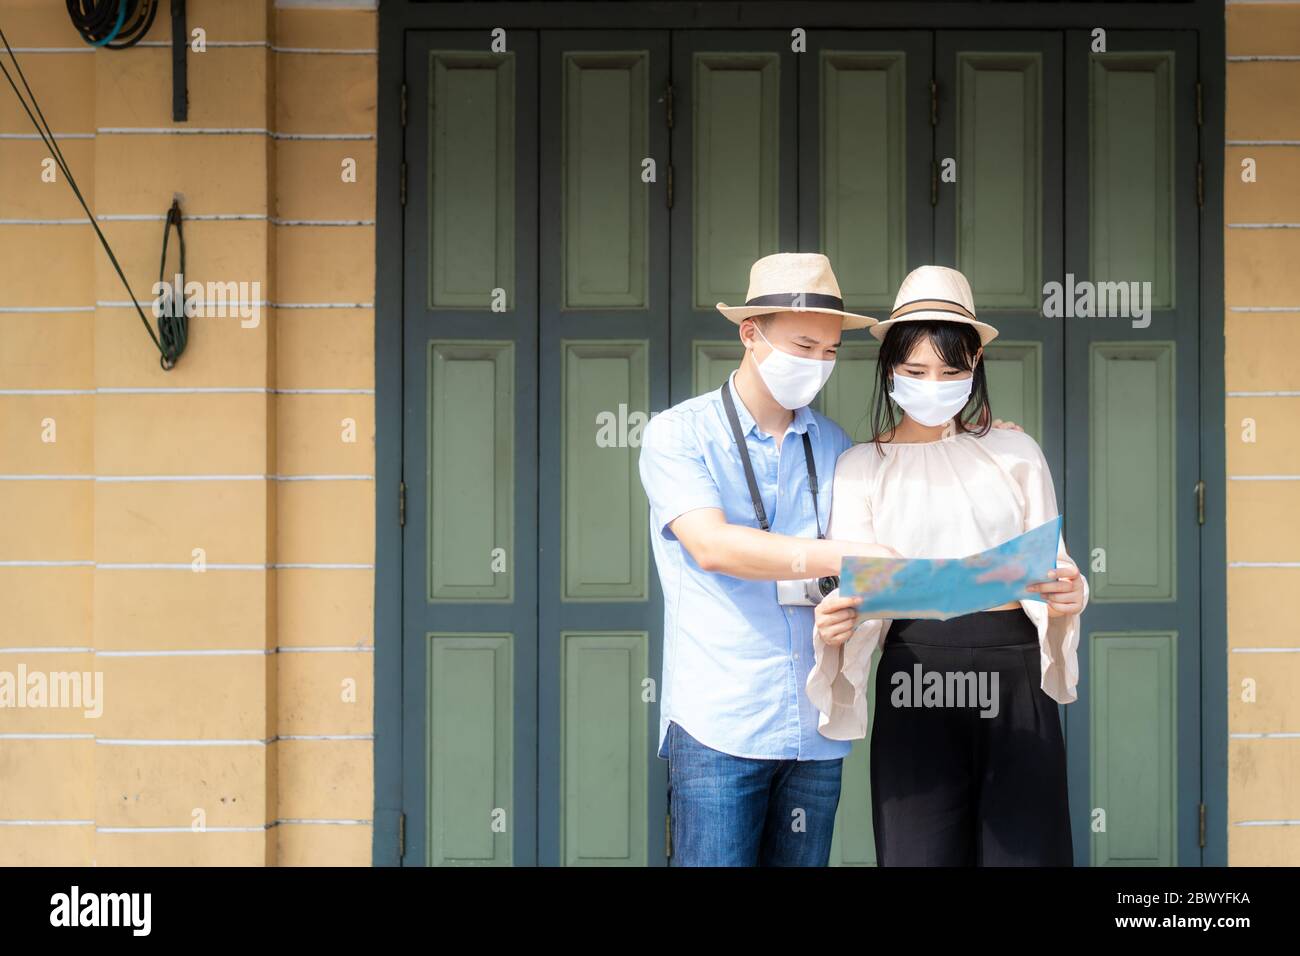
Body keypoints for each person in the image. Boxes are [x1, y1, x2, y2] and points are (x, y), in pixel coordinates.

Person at [638, 253, 1020, 866]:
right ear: (750, 333)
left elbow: (889, 557)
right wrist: (844, 552)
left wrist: (978, 443)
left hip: (815, 730)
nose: (816, 364)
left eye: (829, 352)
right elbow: (711, 546)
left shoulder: (836, 445)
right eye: (803, 345)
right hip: (721, 725)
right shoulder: (680, 435)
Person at [809, 264, 1087, 867]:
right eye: (915, 371)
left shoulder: (1014, 450)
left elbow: (1054, 564)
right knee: (919, 852)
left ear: (974, 369)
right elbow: (856, 589)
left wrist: (1068, 595)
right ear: (889, 368)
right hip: (915, 673)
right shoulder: (860, 466)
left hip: (1013, 676)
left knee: (1027, 853)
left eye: (950, 371)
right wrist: (835, 628)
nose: (932, 384)